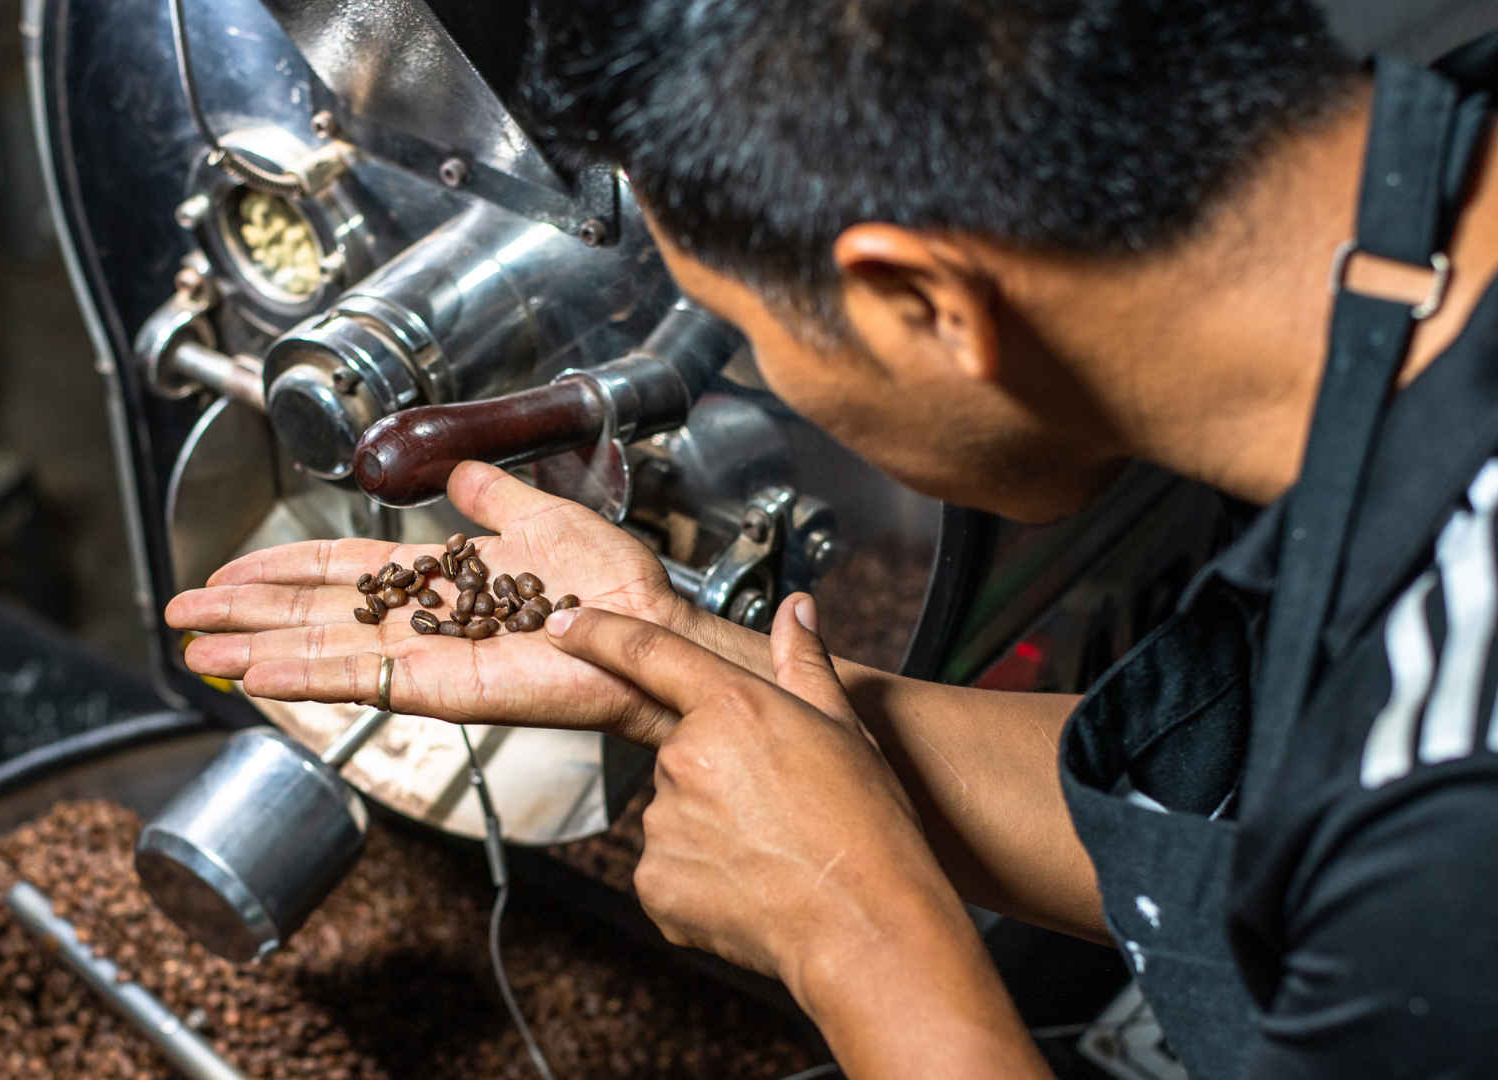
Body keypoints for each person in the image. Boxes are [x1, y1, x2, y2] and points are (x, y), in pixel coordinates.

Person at [165, 1, 1498, 1075]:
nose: (777, 380)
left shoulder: (1445, 824)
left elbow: (1397, 867)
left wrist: (858, 934)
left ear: (920, 301)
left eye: (744, 326)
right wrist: (688, 671)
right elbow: (1273, 819)